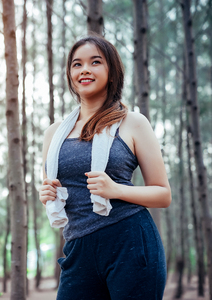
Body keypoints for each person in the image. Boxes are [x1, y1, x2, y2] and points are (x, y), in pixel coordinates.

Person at [39, 34, 171, 300]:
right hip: (77, 246)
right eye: (77, 64)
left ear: (111, 73)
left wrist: (115, 189)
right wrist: (46, 194)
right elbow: (52, 186)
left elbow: (163, 194)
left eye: (95, 62)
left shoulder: (133, 123)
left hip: (130, 243)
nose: (84, 69)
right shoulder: (54, 133)